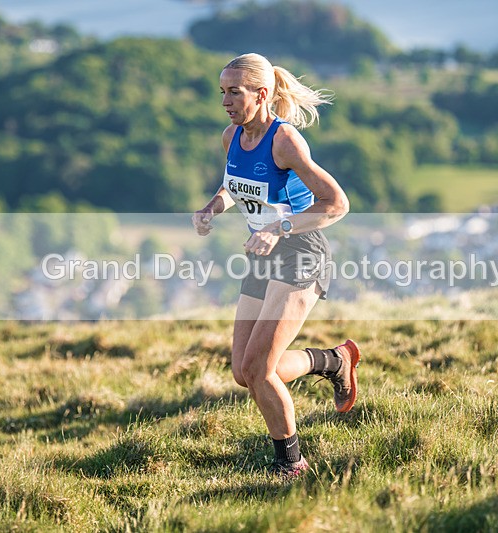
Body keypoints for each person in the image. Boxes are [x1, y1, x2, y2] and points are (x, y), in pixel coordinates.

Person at [191, 53, 361, 478]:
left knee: (260, 369)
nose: (225, 101)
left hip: (302, 252)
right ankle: (333, 361)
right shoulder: (232, 136)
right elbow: (236, 184)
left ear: (261, 94)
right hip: (264, 257)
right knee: (244, 372)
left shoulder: (285, 141)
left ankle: (292, 464)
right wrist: (215, 204)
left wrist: (279, 227)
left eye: (235, 92)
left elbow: (337, 204)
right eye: (223, 92)